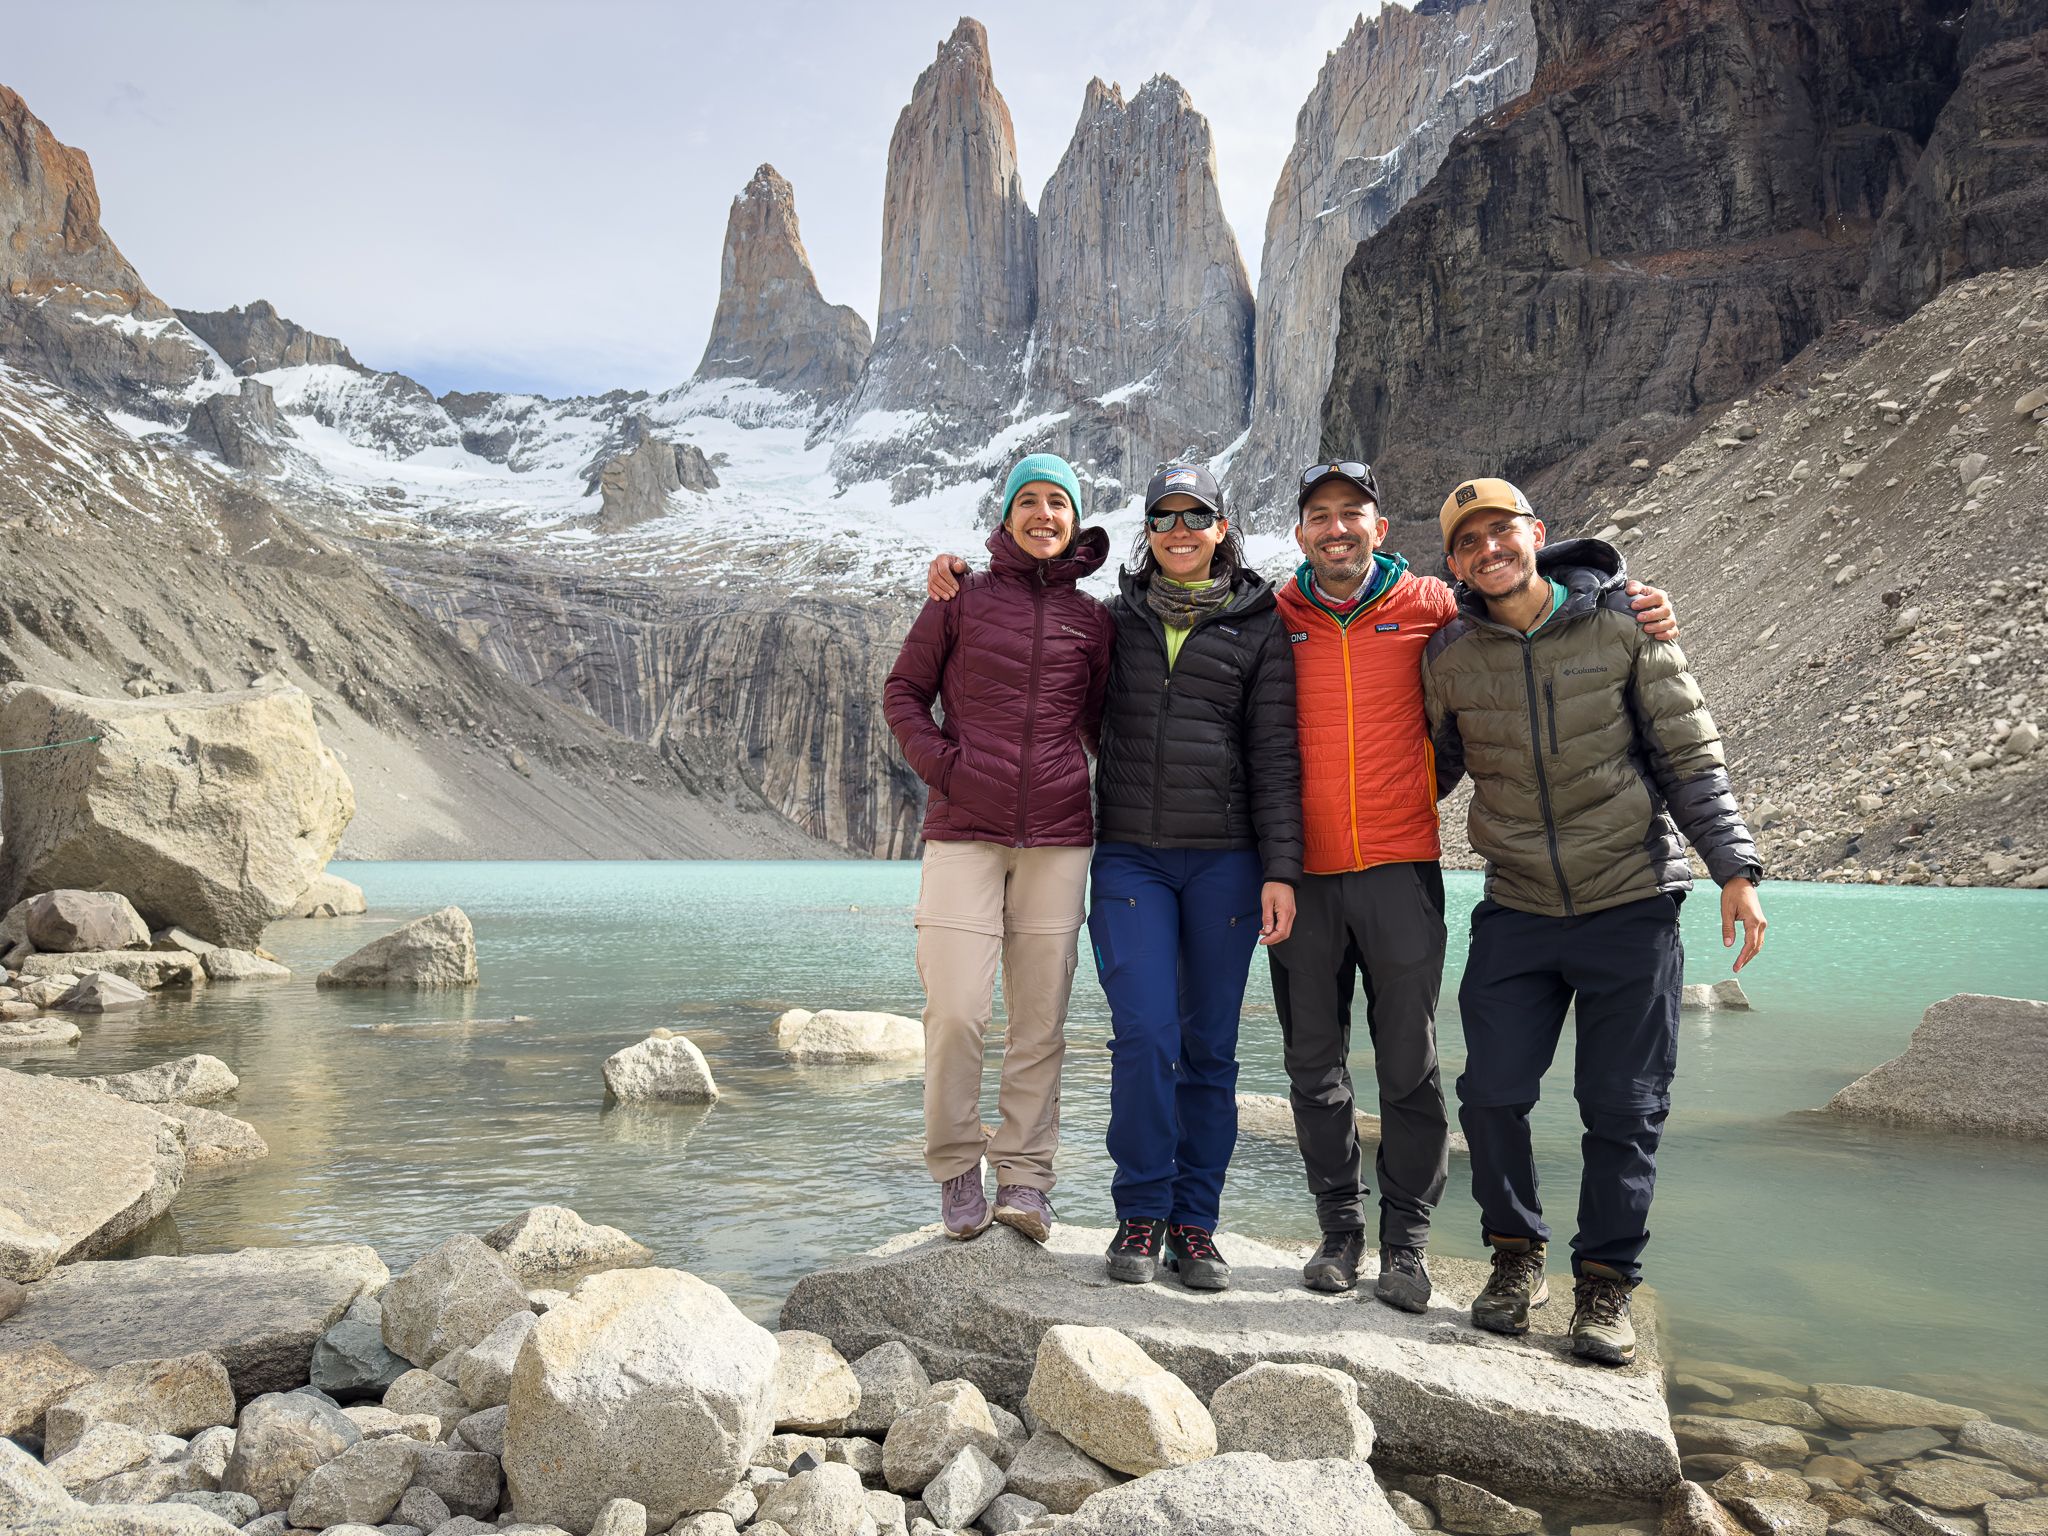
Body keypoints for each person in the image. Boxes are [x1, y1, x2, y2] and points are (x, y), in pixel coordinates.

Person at [1271, 462, 1679, 1312]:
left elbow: (1526, 602)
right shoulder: (1274, 615)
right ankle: (1339, 1234)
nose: (1337, 527)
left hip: (1400, 867)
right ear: (1301, 533)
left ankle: (1408, 1246)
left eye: (1355, 513)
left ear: (1382, 530)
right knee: (1314, 1067)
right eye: (1320, 515)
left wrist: (1618, 593)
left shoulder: (1431, 607)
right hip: (1303, 875)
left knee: (1410, 1068)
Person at [926, 462, 1301, 1291]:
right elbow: (1067, 706)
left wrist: (1280, 867)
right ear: (1147, 532)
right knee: (1143, 1037)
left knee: (1210, 1049)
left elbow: (1276, 753)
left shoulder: (1259, 621)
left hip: (1228, 863)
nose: (1178, 530)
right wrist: (953, 572)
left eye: (1195, 516)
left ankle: (1194, 1225)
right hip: (1131, 855)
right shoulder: (1116, 617)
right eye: (1163, 517)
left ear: (1221, 527)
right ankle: (1139, 1210)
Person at [1423, 476, 1764, 1366]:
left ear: (1535, 533)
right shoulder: (1451, 654)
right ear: (1452, 561)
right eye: (1467, 542)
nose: (1487, 550)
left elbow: (1687, 751)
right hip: (1518, 906)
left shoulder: (1623, 625)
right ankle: (1515, 1255)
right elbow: (1426, 770)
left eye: (1501, 531)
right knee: (1491, 1093)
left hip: (1633, 903)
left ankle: (1605, 1287)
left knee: (1623, 1107)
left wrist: (1735, 868)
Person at [883, 452, 1114, 1244]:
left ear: (1076, 519)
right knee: (954, 1010)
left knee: (1040, 1020)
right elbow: (903, 693)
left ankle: (1024, 1179)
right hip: (963, 833)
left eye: (1060, 503)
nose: (1044, 515)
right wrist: (946, 765)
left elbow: (1101, 726)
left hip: (1058, 841)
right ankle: (955, 1170)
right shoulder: (959, 599)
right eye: (1031, 502)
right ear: (1007, 515)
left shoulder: (1093, 620)